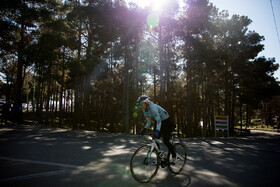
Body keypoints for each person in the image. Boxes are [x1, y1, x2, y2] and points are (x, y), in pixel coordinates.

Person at [136, 95, 179, 164]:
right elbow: (149, 122)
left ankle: (174, 156)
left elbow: (159, 121)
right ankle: (159, 156)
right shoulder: (145, 110)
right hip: (158, 121)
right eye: (138, 105)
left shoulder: (153, 108)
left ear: (146, 102)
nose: (140, 106)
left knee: (166, 141)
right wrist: (144, 130)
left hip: (166, 121)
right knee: (155, 139)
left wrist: (156, 131)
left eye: (141, 104)